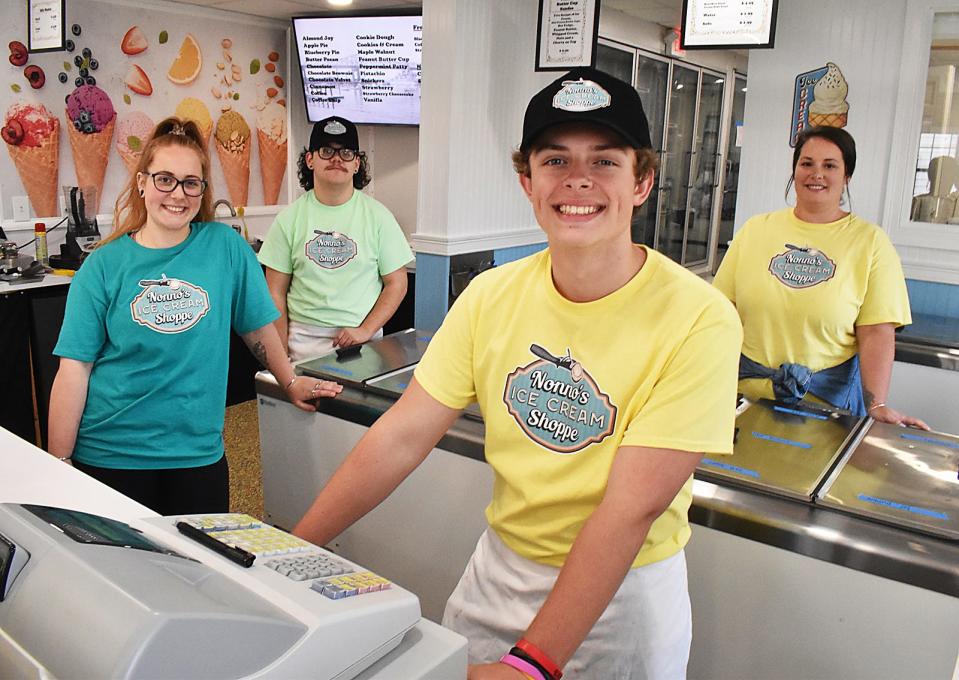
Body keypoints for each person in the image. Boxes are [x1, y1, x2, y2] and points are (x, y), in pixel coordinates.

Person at [294, 68, 742, 679]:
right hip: (499, 572)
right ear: (527, 182)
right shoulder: (490, 296)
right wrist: (293, 549)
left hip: (622, 598)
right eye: (555, 160)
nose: (577, 180)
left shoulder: (700, 318)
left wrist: (531, 664)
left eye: (605, 161)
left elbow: (630, 509)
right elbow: (402, 435)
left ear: (643, 181)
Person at [48, 117, 342, 515]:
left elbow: (257, 327)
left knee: (198, 571)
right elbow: (74, 371)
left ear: (202, 190)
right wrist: (59, 466)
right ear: (142, 183)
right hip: (110, 453)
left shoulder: (226, 248)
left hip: (197, 453)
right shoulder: (102, 266)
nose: (178, 193)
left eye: (191, 182)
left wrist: (289, 382)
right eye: (164, 179)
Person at [714, 125, 928, 429]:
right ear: (794, 171)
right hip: (745, 398)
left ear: (847, 176)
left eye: (830, 165)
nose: (817, 174)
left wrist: (876, 404)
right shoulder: (756, 229)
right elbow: (722, 311)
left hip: (827, 408)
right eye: (807, 163)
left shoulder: (870, 242)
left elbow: (877, 332)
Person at [257, 116, 413, 362]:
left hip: (364, 344)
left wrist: (365, 330)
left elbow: (397, 283)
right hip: (302, 343)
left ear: (357, 164)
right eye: (327, 150)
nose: (337, 159)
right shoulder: (288, 219)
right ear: (310, 159)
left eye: (347, 153)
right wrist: (281, 353)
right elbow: (274, 292)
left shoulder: (379, 217)